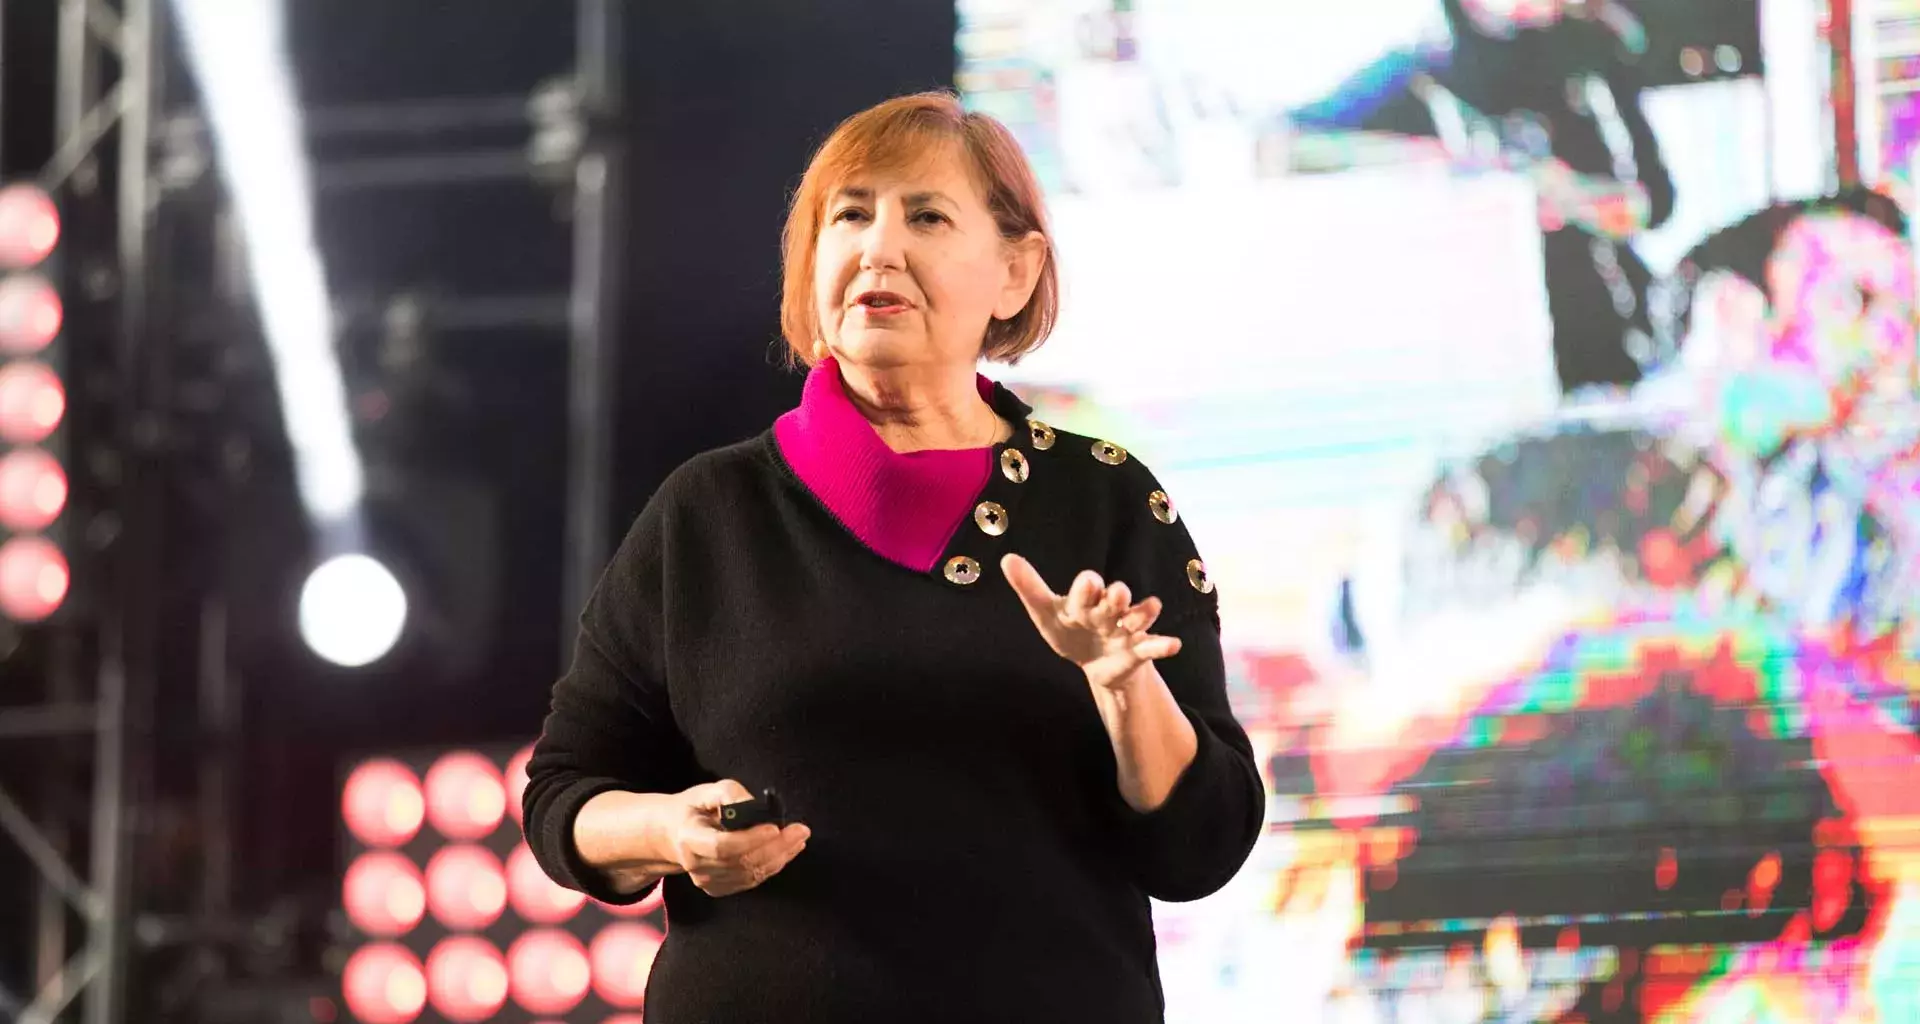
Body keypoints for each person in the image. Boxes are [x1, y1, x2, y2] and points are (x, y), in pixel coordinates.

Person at [521, 90, 1264, 1022]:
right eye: (851, 214)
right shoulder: (709, 511)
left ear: (1016, 271)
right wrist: (670, 832)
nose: (879, 247)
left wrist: (1124, 688)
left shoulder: (1106, 499)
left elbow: (1205, 845)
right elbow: (564, 796)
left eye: (926, 216)